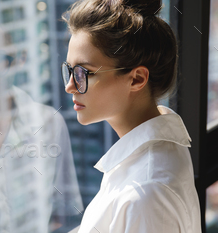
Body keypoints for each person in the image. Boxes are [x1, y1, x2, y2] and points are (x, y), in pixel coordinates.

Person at [61, 0, 202, 232]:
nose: (70, 86)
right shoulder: (148, 155)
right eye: (69, 70)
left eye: (83, 72)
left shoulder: (146, 195)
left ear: (136, 79)